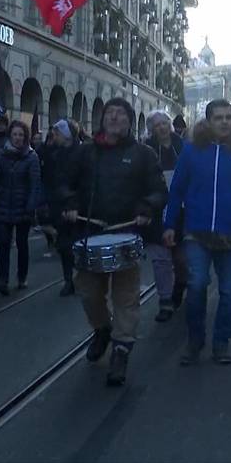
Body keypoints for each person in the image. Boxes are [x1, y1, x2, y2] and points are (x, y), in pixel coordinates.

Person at [61, 98, 166, 387]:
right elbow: (64, 184)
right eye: (110, 113)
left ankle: (121, 348)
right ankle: (102, 329)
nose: (115, 118)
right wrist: (69, 202)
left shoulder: (143, 154)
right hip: (89, 233)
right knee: (87, 293)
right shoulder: (85, 154)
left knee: (126, 297)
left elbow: (158, 190)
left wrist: (146, 208)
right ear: (102, 119)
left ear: (130, 121)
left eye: (121, 114)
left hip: (126, 234)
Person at [164, 99, 231, 367]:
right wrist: (169, 225)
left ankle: (222, 343)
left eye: (228, 117)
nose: (224, 122)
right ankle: (195, 339)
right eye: (218, 117)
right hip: (197, 232)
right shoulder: (191, 151)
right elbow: (177, 190)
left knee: (229, 292)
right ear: (208, 121)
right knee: (196, 286)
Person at [0, 120, 42, 295]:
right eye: (15, 134)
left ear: (25, 138)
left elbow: (35, 184)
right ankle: (2, 279)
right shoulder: (2, 155)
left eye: (21, 135)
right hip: (3, 204)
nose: (18, 138)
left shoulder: (31, 157)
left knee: (22, 243)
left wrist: (31, 206)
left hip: (23, 205)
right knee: (3, 242)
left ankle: (22, 275)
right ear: (10, 135)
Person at [143, 111, 188, 320]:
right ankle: (165, 300)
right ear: (152, 128)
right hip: (155, 209)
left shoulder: (184, 146)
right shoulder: (146, 149)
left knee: (181, 258)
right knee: (160, 259)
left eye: (164, 123)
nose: (161, 127)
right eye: (157, 125)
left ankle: (179, 285)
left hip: (182, 209)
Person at [39, 119, 80, 296]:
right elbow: (49, 179)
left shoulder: (82, 153)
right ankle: (68, 279)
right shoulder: (54, 154)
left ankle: (81, 277)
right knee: (64, 245)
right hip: (59, 206)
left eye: (57, 133)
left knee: (78, 244)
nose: (53, 136)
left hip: (79, 208)